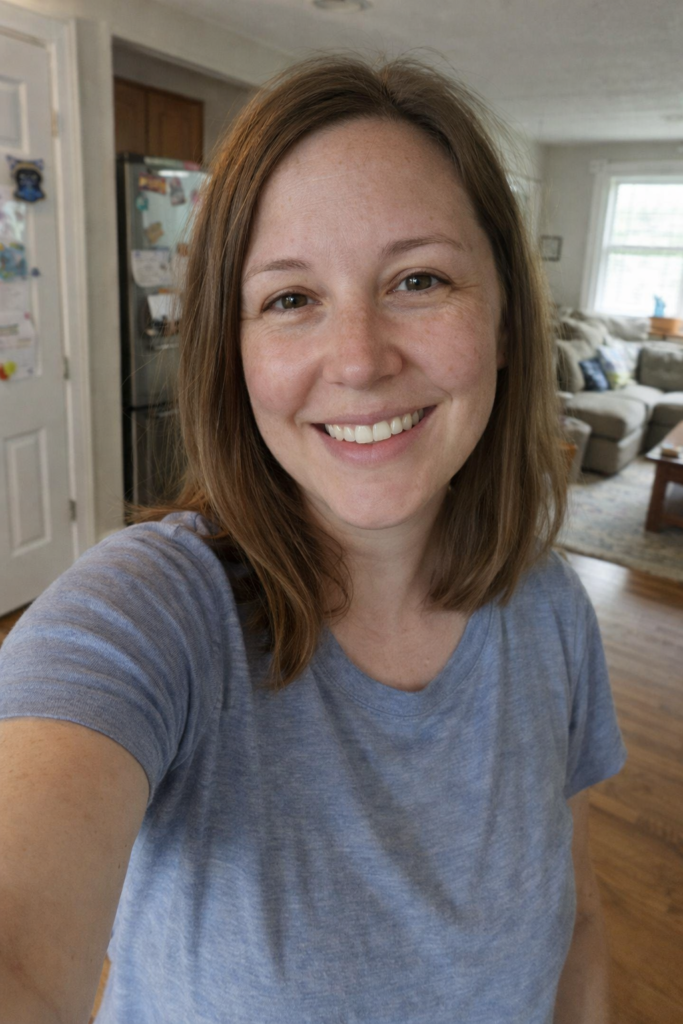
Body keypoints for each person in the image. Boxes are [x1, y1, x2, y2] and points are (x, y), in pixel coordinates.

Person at [0, 55, 627, 1024]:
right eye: (290, 298)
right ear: (233, 350)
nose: (360, 359)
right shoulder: (147, 614)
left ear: (504, 320)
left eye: (418, 279)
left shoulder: (549, 607)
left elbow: (577, 917)